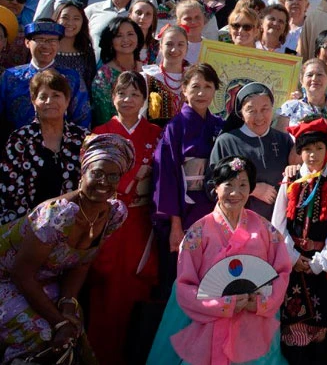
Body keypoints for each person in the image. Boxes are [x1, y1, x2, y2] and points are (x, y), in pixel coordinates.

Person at [0, 133, 133, 362]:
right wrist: (58, 321)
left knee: (75, 326)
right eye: (97, 173)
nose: (104, 182)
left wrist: (68, 305)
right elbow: (21, 274)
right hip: (8, 278)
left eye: (113, 176)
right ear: (83, 173)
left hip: (40, 280)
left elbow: (81, 264)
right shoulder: (57, 214)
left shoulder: (111, 215)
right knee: (43, 333)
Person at [148, 156, 291, 365]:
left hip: (252, 324)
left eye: (243, 185)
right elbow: (185, 286)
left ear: (251, 188)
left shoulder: (265, 230)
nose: (235, 193)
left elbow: (282, 272)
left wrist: (260, 303)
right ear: (215, 187)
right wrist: (222, 305)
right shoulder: (197, 233)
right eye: (228, 185)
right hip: (208, 323)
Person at [87, 72, 162, 364]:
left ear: (144, 100)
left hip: (141, 223)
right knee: (103, 288)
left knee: (136, 286)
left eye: (134, 94)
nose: (127, 100)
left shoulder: (155, 134)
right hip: (106, 220)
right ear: (112, 97)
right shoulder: (100, 132)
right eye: (121, 93)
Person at [271, 116, 327, 362]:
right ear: (299, 152)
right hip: (293, 263)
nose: (313, 155)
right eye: (307, 149)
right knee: (293, 328)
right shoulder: (290, 180)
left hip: (319, 264)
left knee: (321, 330)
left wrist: (321, 262)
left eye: (319, 148)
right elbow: (278, 224)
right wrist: (292, 257)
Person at [151, 63, 223, 291]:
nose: (201, 93)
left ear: (215, 90)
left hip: (214, 208)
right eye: (195, 87)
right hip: (185, 210)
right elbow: (167, 177)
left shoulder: (219, 125)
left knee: (213, 271)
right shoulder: (175, 127)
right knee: (183, 273)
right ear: (184, 89)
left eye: (208, 86)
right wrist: (175, 224)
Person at [0, 70, 90, 224]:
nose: (49, 101)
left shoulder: (82, 139)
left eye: (56, 95)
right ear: (33, 101)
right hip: (28, 228)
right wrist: (29, 228)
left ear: (67, 100)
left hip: (75, 226)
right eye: (43, 96)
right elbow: (8, 193)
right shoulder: (20, 140)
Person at [210, 82, 294, 221]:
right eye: (251, 110)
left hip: (279, 224)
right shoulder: (227, 142)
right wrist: (251, 189)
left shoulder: (284, 140)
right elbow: (212, 186)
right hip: (239, 224)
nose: (259, 117)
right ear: (241, 113)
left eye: (265, 109)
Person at [0, 21, 91, 137]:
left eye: (52, 40)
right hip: (16, 144)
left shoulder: (72, 78)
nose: (46, 46)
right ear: (27, 42)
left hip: (63, 144)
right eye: (40, 40)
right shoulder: (10, 77)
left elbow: (82, 118)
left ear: (59, 44)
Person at [91, 16, 144, 126]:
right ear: (110, 41)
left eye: (130, 34)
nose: (125, 39)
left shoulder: (147, 70)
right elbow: (103, 118)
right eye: (119, 36)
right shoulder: (104, 76)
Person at [53, 1, 97, 87]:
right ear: (56, 19)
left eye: (76, 18)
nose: (70, 23)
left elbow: (90, 84)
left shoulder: (86, 52)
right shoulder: (47, 49)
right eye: (65, 18)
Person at [277, 59, 327, 129]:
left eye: (319, 74)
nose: (314, 78)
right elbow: (280, 134)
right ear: (302, 81)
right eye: (309, 75)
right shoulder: (291, 107)